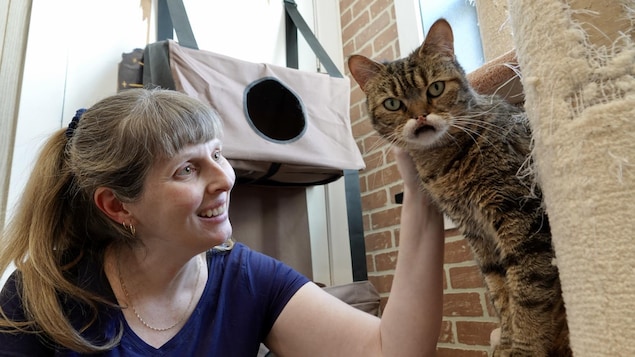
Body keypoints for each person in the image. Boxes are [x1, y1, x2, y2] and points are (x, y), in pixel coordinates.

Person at [0, 88, 445, 356]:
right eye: (187, 169)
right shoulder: (37, 296)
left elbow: (392, 351)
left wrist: (424, 193)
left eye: (217, 153)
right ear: (117, 207)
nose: (225, 179)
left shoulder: (249, 278)